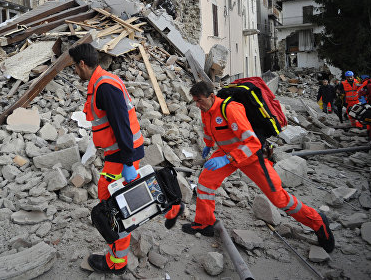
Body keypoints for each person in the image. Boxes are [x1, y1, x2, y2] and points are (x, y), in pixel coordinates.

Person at [180, 81, 335, 253]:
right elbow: (209, 129)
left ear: (211, 96)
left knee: (278, 198)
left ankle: (318, 221)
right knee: (205, 182)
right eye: (195, 101)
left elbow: (253, 142)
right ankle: (204, 223)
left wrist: (228, 158)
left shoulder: (230, 109)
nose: (197, 104)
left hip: (250, 157)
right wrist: (208, 144)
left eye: (200, 100)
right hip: (226, 154)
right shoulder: (206, 110)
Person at [68, 43, 166, 274]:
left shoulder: (104, 87)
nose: (74, 71)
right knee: (114, 202)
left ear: (83, 64)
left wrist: (127, 162)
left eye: (74, 66)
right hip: (121, 153)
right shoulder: (102, 82)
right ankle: (118, 252)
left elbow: (122, 124)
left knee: (112, 204)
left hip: (123, 155)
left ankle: (116, 262)